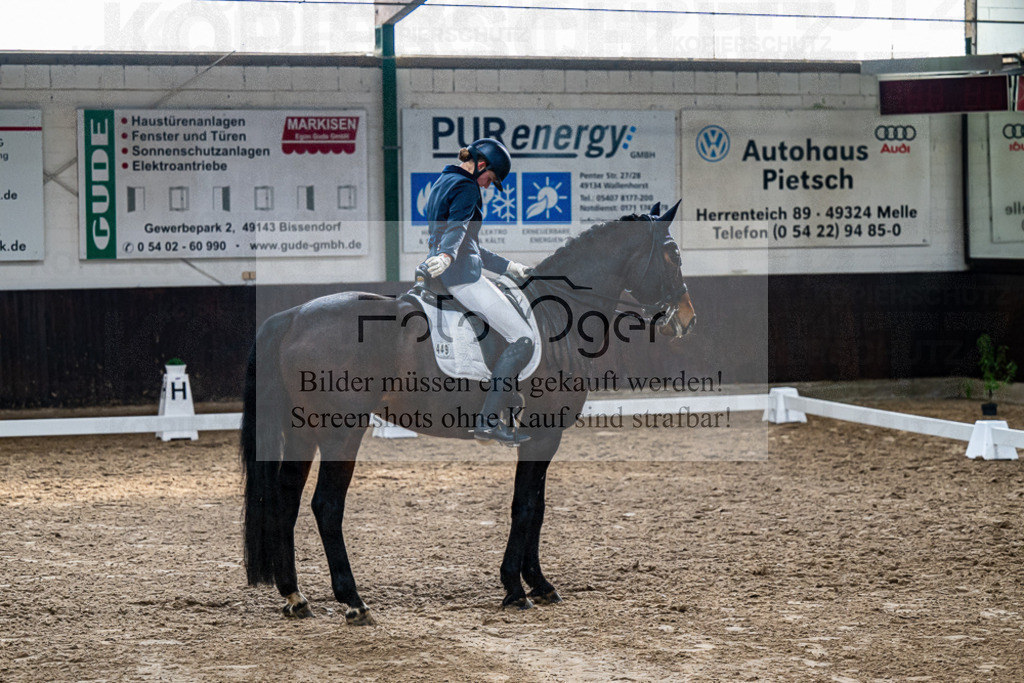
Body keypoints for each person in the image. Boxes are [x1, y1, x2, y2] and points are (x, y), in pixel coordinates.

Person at [420, 138, 534, 445]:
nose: (486, 185)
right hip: (461, 277)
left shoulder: (443, 180)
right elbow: (456, 231)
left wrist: (509, 267)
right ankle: (487, 421)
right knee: (523, 340)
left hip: (445, 270)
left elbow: (467, 243)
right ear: (481, 164)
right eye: (490, 179)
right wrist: (446, 256)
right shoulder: (467, 186)